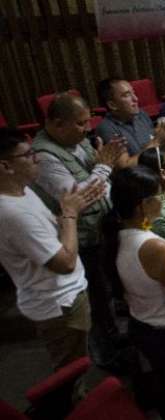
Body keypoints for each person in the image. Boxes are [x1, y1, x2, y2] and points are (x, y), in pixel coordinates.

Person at [31, 92, 127, 369]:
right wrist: (104, 167)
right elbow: (77, 197)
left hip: (100, 227)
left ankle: (113, 338)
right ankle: (103, 356)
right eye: (80, 124)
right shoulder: (44, 156)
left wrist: (100, 172)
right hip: (79, 238)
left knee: (105, 290)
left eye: (87, 122)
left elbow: (100, 186)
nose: (87, 129)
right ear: (58, 123)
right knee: (94, 297)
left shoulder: (78, 140)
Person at [0, 127, 105, 371]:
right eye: (27, 155)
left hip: (64, 296)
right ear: (5, 166)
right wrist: (70, 214)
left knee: (80, 361)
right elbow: (65, 263)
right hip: (59, 304)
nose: (36, 158)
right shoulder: (13, 213)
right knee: (71, 375)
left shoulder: (23, 191)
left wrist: (70, 210)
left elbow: (49, 231)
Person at [106, 166, 165, 420]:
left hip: (146, 325)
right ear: (143, 205)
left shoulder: (120, 234)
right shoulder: (154, 247)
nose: (163, 201)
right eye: (159, 197)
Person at [95, 77, 165, 167]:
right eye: (126, 95)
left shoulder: (141, 114)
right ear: (112, 105)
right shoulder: (106, 128)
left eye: (133, 93)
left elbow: (157, 149)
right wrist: (156, 141)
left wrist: (164, 138)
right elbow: (125, 166)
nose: (136, 99)